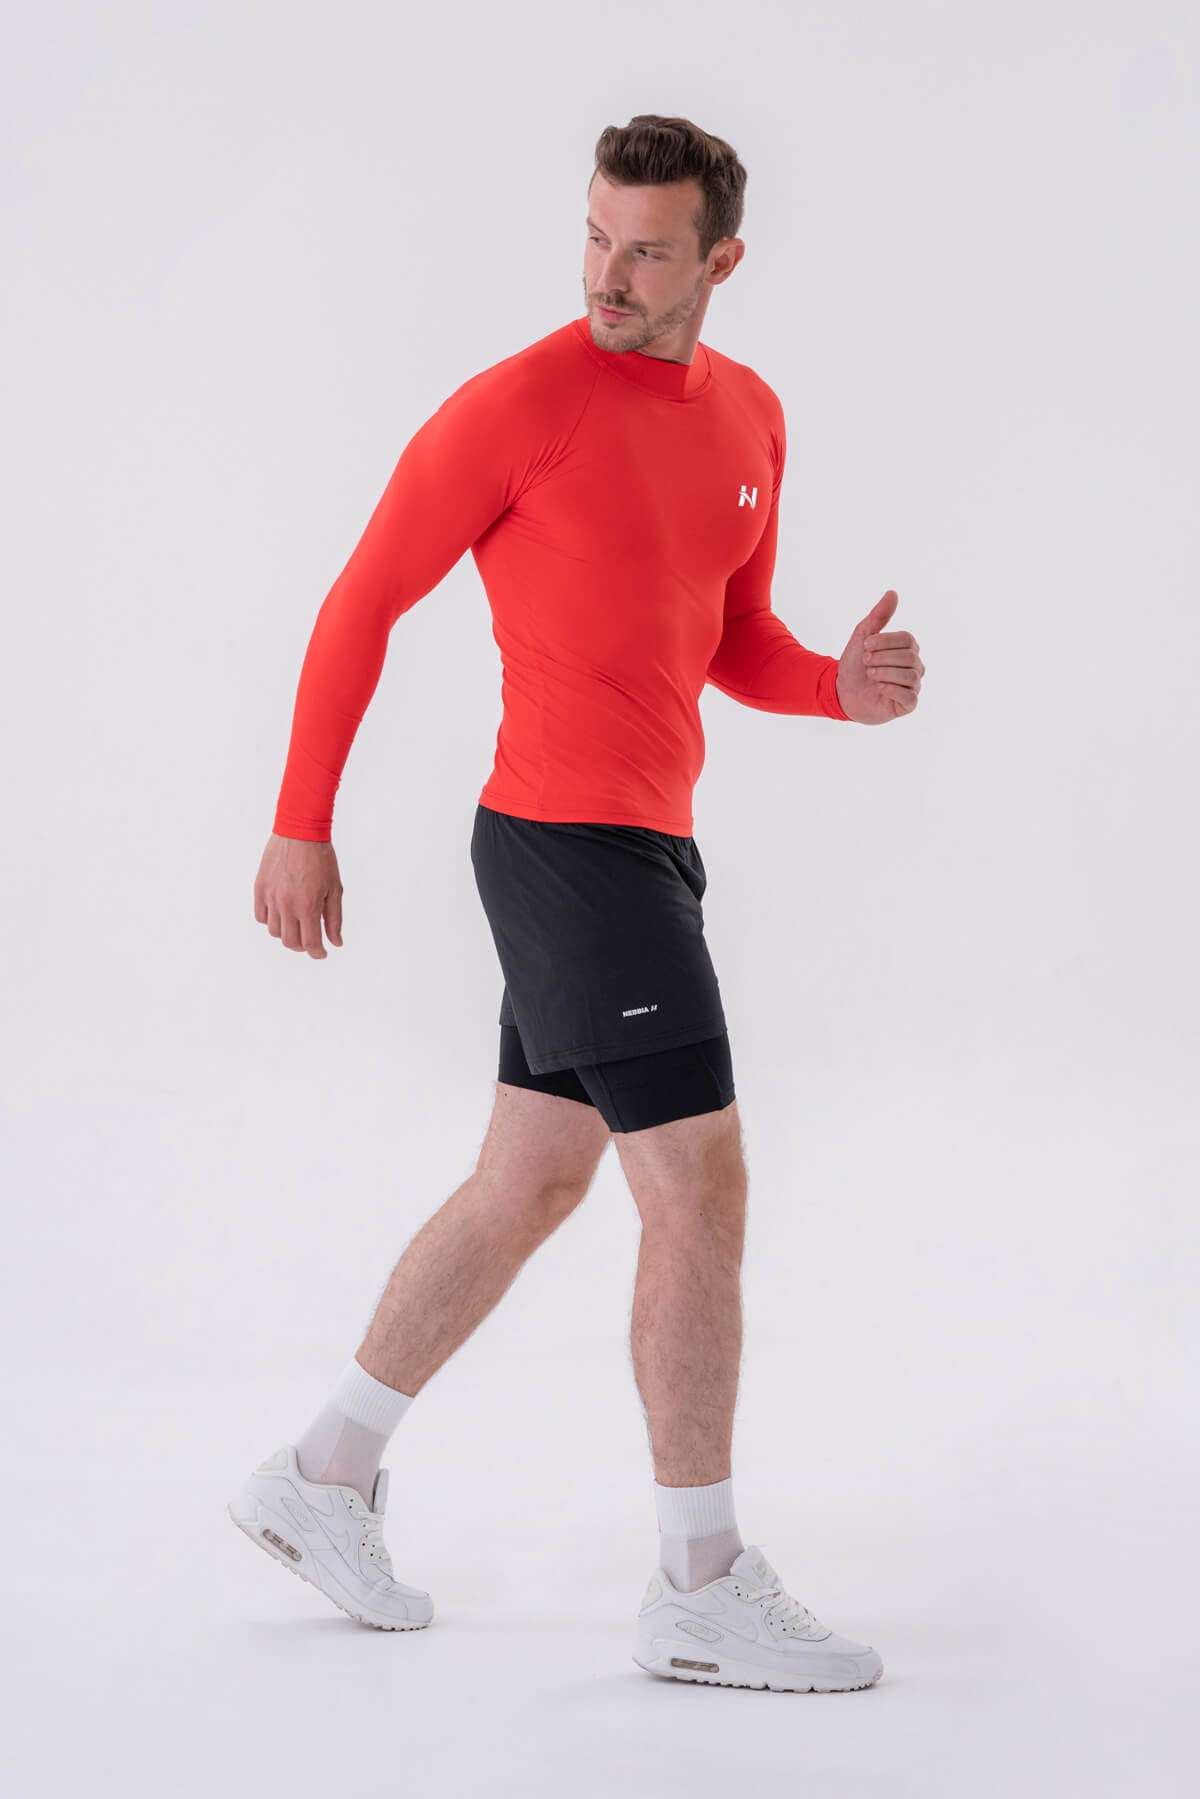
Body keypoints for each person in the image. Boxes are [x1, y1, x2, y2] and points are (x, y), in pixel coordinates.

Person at [229, 113, 924, 1693]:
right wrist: (299, 823)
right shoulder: (518, 406)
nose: (610, 276)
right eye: (597, 238)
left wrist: (836, 688)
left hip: (645, 848)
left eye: (649, 251)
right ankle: (701, 1581)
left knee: (532, 1179)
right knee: (702, 1185)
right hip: (564, 843)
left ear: (721, 260)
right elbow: (362, 598)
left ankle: (323, 1474)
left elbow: (729, 635)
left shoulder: (751, 415)